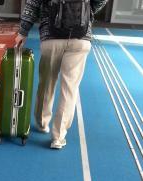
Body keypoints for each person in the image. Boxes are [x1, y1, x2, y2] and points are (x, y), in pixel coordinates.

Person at [16, 0, 108, 149]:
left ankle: (42, 122)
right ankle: (58, 137)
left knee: (47, 82)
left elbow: (32, 4)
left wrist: (23, 31)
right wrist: (87, 11)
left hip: (51, 38)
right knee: (69, 89)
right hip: (80, 37)